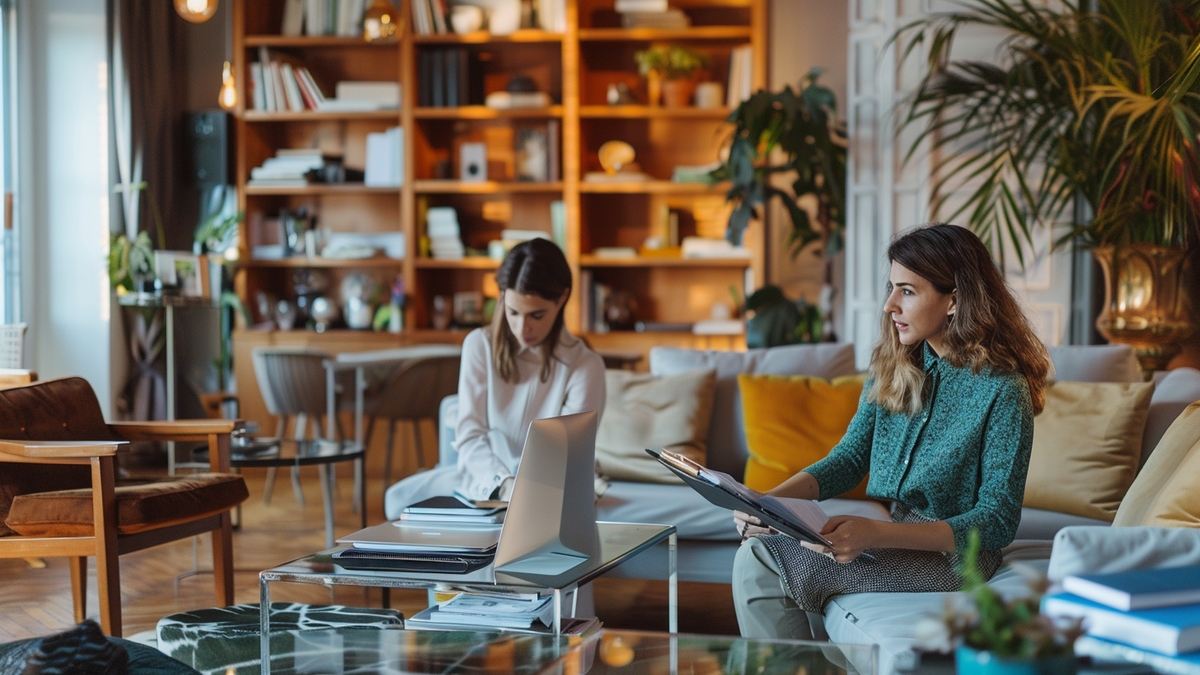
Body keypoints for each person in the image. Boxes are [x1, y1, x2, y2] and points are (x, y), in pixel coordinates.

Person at [732, 224, 1051, 640]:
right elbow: (847, 461)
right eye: (892, 288)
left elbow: (996, 521)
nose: (889, 306)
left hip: (954, 558)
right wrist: (770, 503)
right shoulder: (895, 366)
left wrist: (875, 532)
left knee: (758, 558)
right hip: (898, 535)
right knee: (767, 549)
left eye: (907, 291)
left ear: (953, 300)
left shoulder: (1003, 389)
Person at [383, 238, 606, 519]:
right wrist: (504, 484)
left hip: (549, 486)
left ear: (561, 298)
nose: (523, 328)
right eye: (513, 312)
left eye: (537, 315)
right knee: (396, 500)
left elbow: (567, 453)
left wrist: (524, 490)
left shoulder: (585, 365)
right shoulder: (479, 345)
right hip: (484, 477)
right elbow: (470, 435)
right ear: (502, 294)